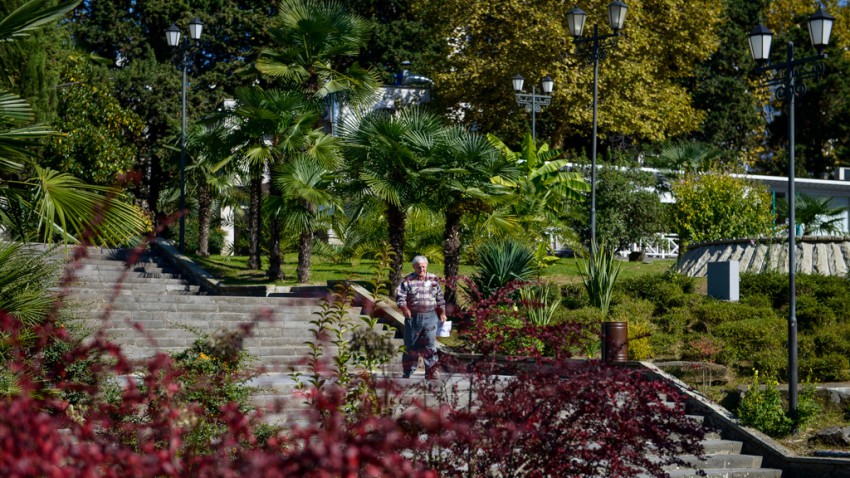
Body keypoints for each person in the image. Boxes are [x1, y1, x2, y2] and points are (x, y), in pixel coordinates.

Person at [396, 255, 447, 379]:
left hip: (431, 316)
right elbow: (400, 298)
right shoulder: (407, 280)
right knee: (411, 345)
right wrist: (405, 309)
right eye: (419, 267)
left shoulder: (433, 279)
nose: (421, 269)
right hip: (413, 317)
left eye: (423, 267)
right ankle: (408, 370)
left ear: (427, 266)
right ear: (414, 267)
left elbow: (440, 298)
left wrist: (442, 312)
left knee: (430, 345)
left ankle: (431, 372)